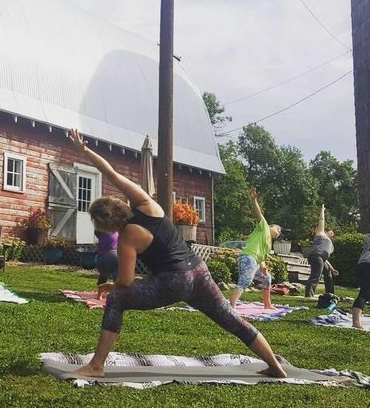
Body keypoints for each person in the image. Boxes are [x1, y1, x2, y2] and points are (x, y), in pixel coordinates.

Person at [68, 129, 287, 379]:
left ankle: (96, 366)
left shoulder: (127, 237)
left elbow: (125, 282)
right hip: (199, 272)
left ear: (105, 225)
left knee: (116, 300)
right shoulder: (146, 205)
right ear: (117, 203)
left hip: (173, 281)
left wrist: (113, 286)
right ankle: (275, 366)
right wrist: (84, 150)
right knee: (230, 318)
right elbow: (111, 173)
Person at [230, 188, 281, 310]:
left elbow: (261, 257)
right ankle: (231, 306)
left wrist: (263, 267)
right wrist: (254, 200)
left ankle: (267, 305)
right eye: (278, 229)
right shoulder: (264, 228)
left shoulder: (268, 243)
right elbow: (258, 214)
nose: (279, 231)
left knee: (267, 277)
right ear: (270, 226)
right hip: (248, 257)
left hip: (254, 261)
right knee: (245, 281)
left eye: (280, 231)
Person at [305, 205, 338, 298]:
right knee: (316, 275)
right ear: (326, 232)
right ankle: (309, 295)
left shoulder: (330, 245)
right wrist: (322, 210)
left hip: (321, 258)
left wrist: (332, 269)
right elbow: (321, 220)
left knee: (328, 274)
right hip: (316, 256)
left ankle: (330, 294)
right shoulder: (321, 234)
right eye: (331, 232)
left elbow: (325, 259)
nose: (333, 234)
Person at [352, 233, 370, 329]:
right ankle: (356, 321)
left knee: (364, 292)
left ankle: (356, 320)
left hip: (362, 263)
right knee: (364, 293)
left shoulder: (368, 237)